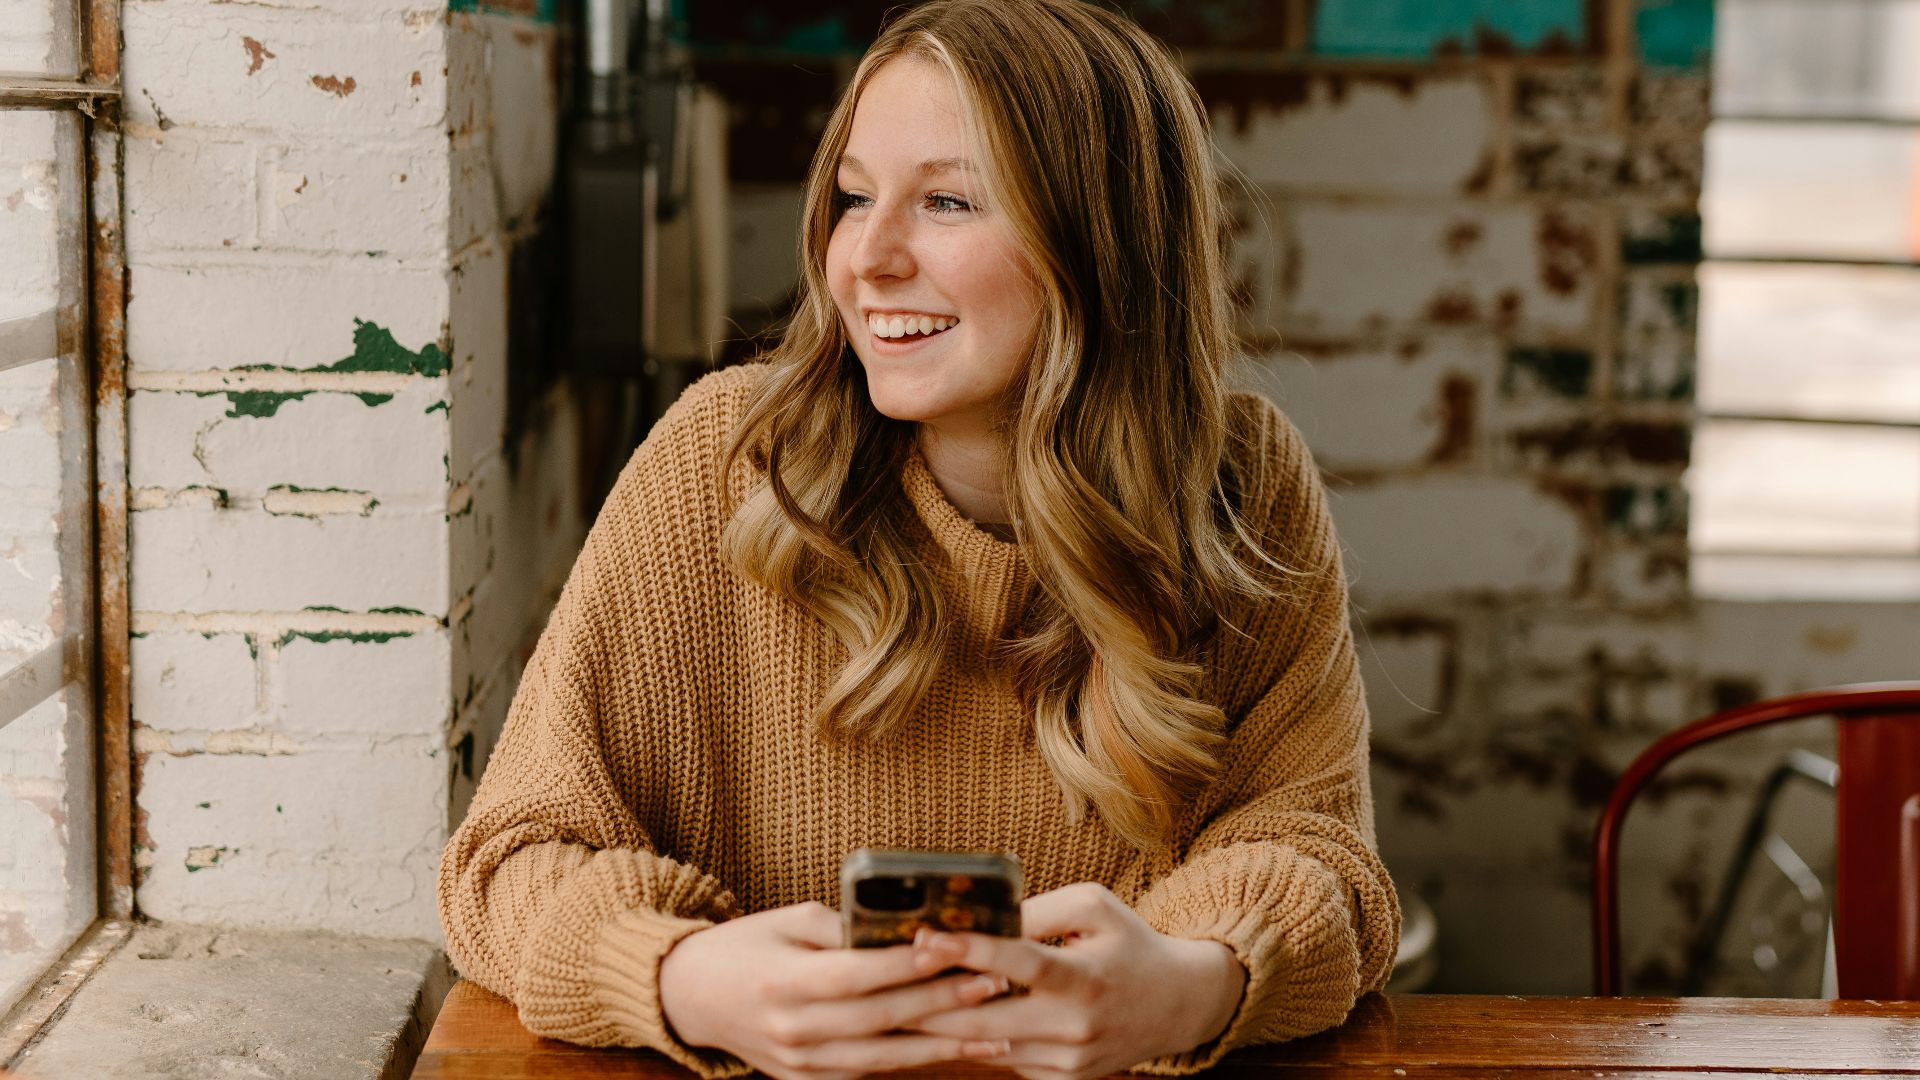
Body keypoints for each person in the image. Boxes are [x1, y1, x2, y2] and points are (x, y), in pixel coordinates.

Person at [436, 1, 1400, 1077]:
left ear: (1101, 241)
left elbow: (1321, 862)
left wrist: (1193, 983)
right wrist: (683, 976)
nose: (867, 259)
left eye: (946, 201)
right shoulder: (723, 459)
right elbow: (508, 862)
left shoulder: (1244, 482)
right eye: (853, 198)